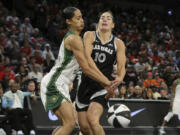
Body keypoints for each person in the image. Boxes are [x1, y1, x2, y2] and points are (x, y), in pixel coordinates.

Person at [40, 7, 116, 135]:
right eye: (78, 18)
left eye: (82, 17)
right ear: (69, 21)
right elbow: (86, 69)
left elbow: (89, 66)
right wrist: (108, 83)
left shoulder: (76, 38)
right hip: (55, 83)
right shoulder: (74, 39)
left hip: (60, 83)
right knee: (69, 124)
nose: (82, 20)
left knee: (66, 124)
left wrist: (106, 82)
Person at [75, 11, 126, 135]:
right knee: (85, 128)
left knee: (93, 120)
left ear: (113, 25)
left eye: (108, 18)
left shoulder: (118, 43)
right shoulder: (89, 35)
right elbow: (87, 59)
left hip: (102, 88)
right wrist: (103, 79)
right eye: (102, 17)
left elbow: (121, 66)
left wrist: (119, 78)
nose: (105, 19)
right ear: (98, 22)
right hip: (86, 83)